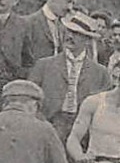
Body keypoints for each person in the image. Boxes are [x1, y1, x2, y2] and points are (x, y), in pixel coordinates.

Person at [30, 12, 110, 143]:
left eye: (77, 34)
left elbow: (104, 108)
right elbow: (31, 98)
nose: (70, 36)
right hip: (49, 125)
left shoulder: (100, 73)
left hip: (83, 131)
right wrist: (41, 122)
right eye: (69, 31)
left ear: (87, 40)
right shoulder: (44, 65)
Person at [18, 0, 80, 70]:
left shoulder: (64, 28)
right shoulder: (27, 23)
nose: (70, 8)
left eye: (73, 4)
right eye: (68, 1)